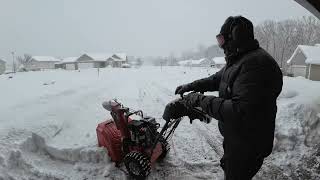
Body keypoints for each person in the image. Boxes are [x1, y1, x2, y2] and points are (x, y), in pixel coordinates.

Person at [174, 16, 283, 179]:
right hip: (237, 138)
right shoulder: (241, 60)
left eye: (222, 39)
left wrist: (197, 99)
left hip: (248, 146)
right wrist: (191, 86)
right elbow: (217, 79)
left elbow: (238, 110)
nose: (221, 45)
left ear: (236, 37)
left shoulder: (257, 65)